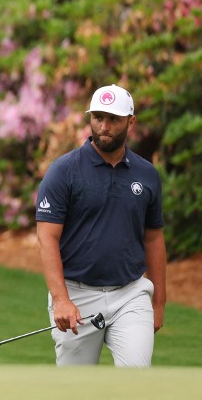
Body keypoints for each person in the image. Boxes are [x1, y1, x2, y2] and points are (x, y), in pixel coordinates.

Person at [35, 84, 166, 367]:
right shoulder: (63, 171)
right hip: (77, 296)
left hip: (131, 294)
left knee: (136, 379)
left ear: (130, 122)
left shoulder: (146, 174)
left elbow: (154, 239)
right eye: (98, 117)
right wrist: (61, 299)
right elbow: (47, 238)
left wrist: (159, 303)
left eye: (114, 119)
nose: (104, 126)